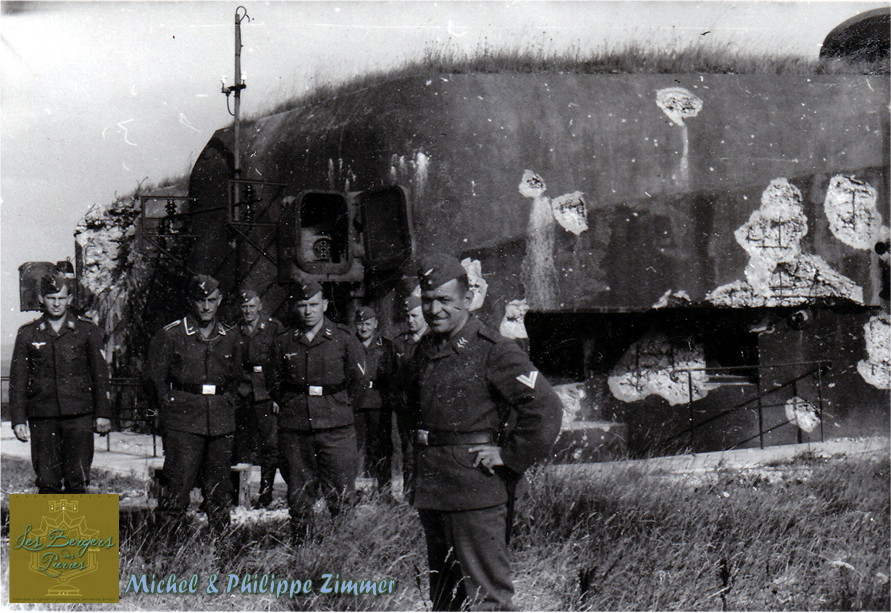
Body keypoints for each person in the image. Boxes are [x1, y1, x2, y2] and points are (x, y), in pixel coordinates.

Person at [405, 253, 562, 611]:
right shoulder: (426, 350)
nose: (434, 309)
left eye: (444, 300)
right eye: (427, 301)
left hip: (476, 488)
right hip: (435, 489)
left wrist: (509, 456)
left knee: (487, 597)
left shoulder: (493, 350)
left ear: (465, 300)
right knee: (445, 599)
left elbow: (546, 407)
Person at [268, 281, 366, 545]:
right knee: (299, 497)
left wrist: (337, 409)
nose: (308, 311)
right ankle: (304, 553)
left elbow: (358, 383)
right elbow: (274, 383)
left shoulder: (344, 339)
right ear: (294, 307)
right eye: (302, 305)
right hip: (297, 429)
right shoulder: (283, 342)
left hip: (336, 429)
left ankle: (343, 555)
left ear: (324, 305)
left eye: (313, 305)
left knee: (342, 496)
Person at [145, 274, 242, 536]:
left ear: (219, 301)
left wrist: (228, 403)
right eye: (200, 301)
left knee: (219, 491)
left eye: (212, 300)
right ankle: (168, 553)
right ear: (191, 301)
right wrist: (168, 410)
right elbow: (156, 379)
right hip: (183, 421)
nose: (206, 307)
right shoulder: (171, 335)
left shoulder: (230, 337)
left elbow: (237, 378)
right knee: (176, 487)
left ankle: (222, 551)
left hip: (220, 422)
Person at [9, 271, 112, 493]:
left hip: (79, 416)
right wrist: (18, 419)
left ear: (70, 299)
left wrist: (102, 414)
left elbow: (100, 375)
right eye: (51, 298)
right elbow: (18, 379)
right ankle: (51, 529)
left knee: (79, 480)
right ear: (41, 299)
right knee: (47, 481)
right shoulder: (28, 334)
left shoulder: (86, 330)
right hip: (43, 418)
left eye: (61, 298)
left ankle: (77, 529)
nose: (56, 304)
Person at [234, 287, 285, 507]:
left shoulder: (273, 328)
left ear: (260, 307)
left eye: (252, 306)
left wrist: (278, 397)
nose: (248, 311)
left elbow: (282, 364)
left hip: (266, 392)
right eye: (244, 307)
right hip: (242, 392)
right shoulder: (234, 331)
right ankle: (236, 494)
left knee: (270, 445)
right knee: (237, 444)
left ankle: (266, 492)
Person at [352, 306, 396, 494]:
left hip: (378, 402)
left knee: (381, 446)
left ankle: (384, 490)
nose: (363, 328)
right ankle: (348, 491)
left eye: (368, 324)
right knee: (353, 448)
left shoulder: (385, 345)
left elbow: (393, 374)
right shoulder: (350, 343)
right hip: (356, 403)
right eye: (360, 324)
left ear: (376, 324)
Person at [391, 294, 428, 498]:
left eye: (415, 316)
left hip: (429, 407)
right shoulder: (399, 343)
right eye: (408, 317)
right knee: (409, 453)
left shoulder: (434, 339)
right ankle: (409, 496)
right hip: (407, 408)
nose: (411, 321)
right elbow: (392, 378)